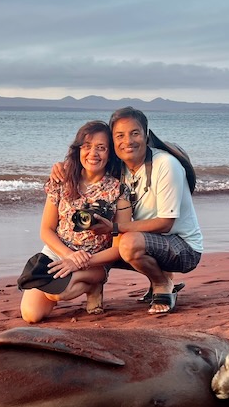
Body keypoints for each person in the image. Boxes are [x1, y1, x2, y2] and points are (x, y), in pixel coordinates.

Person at [53, 107, 202, 314]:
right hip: (150, 243)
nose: (128, 141)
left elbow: (165, 223)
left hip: (183, 247)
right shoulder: (120, 167)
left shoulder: (165, 164)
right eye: (120, 136)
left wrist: (115, 227)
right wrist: (62, 167)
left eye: (135, 133)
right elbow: (89, 165)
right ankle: (105, 285)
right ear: (113, 142)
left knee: (127, 242)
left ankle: (162, 283)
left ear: (146, 135)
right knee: (102, 241)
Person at [20, 120, 132, 323]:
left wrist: (79, 262)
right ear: (78, 149)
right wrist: (69, 257)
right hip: (58, 252)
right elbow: (46, 230)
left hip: (94, 260)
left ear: (110, 153)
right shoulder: (61, 179)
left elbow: (118, 248)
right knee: (31, 315)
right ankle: (79, 282)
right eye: (87, 146)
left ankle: (95, 283)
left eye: (101, 148)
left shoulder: (119, 190)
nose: (93, 154)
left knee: (58, 294)